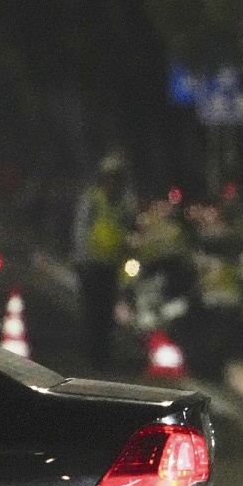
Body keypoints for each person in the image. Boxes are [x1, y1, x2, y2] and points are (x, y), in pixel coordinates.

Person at [71, 152, 136, 368]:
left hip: (111, 266)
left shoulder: (125, 203)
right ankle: (92, 354)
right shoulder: (92, 199)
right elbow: (81, 230)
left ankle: (104, 354)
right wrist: (80, 260)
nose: (113, 182)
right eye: (110, 177)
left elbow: (129, 230)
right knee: (92, 311)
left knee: (107, 312)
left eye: (117, 178)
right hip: (91, 264)